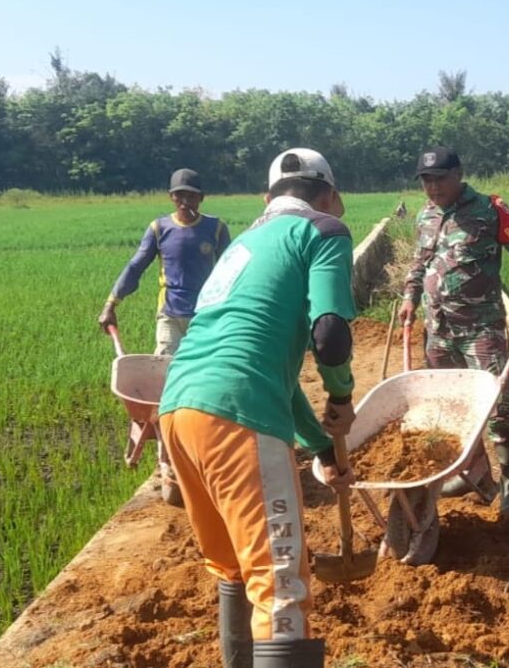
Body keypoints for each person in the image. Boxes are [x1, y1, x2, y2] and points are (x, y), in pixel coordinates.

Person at [157, 148, 357, 668]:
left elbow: (271, 375)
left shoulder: (242, 244)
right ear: (330, 196)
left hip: (179, 407)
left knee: (232, 568)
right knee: (281, 585)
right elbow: (331, 334)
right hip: (237, 414)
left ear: (268, 200)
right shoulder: (325, 231)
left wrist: (319, 446)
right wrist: (340, 397)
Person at [398, 146, 509, 516]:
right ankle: (474, 470)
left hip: (480, 328)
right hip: (438, 329)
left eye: (439, 178)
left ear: (458, 174)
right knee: (452, 403)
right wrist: (410, 296)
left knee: (499, 403)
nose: (433, 187)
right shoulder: (425, 214)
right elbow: (419, 261)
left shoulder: (491, 210)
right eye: (426, 180)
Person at [98, 168, 231, 356]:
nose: (185, 202)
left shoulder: (216, 228)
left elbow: (231, 271)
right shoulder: (159, 228)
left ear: (201, 198)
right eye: (179, 196)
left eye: (191, 196)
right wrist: (110, 305)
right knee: (165, 369)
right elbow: (135, 267)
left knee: (203, 370)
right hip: (170, 314)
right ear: (171, 197)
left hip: (205, 314)